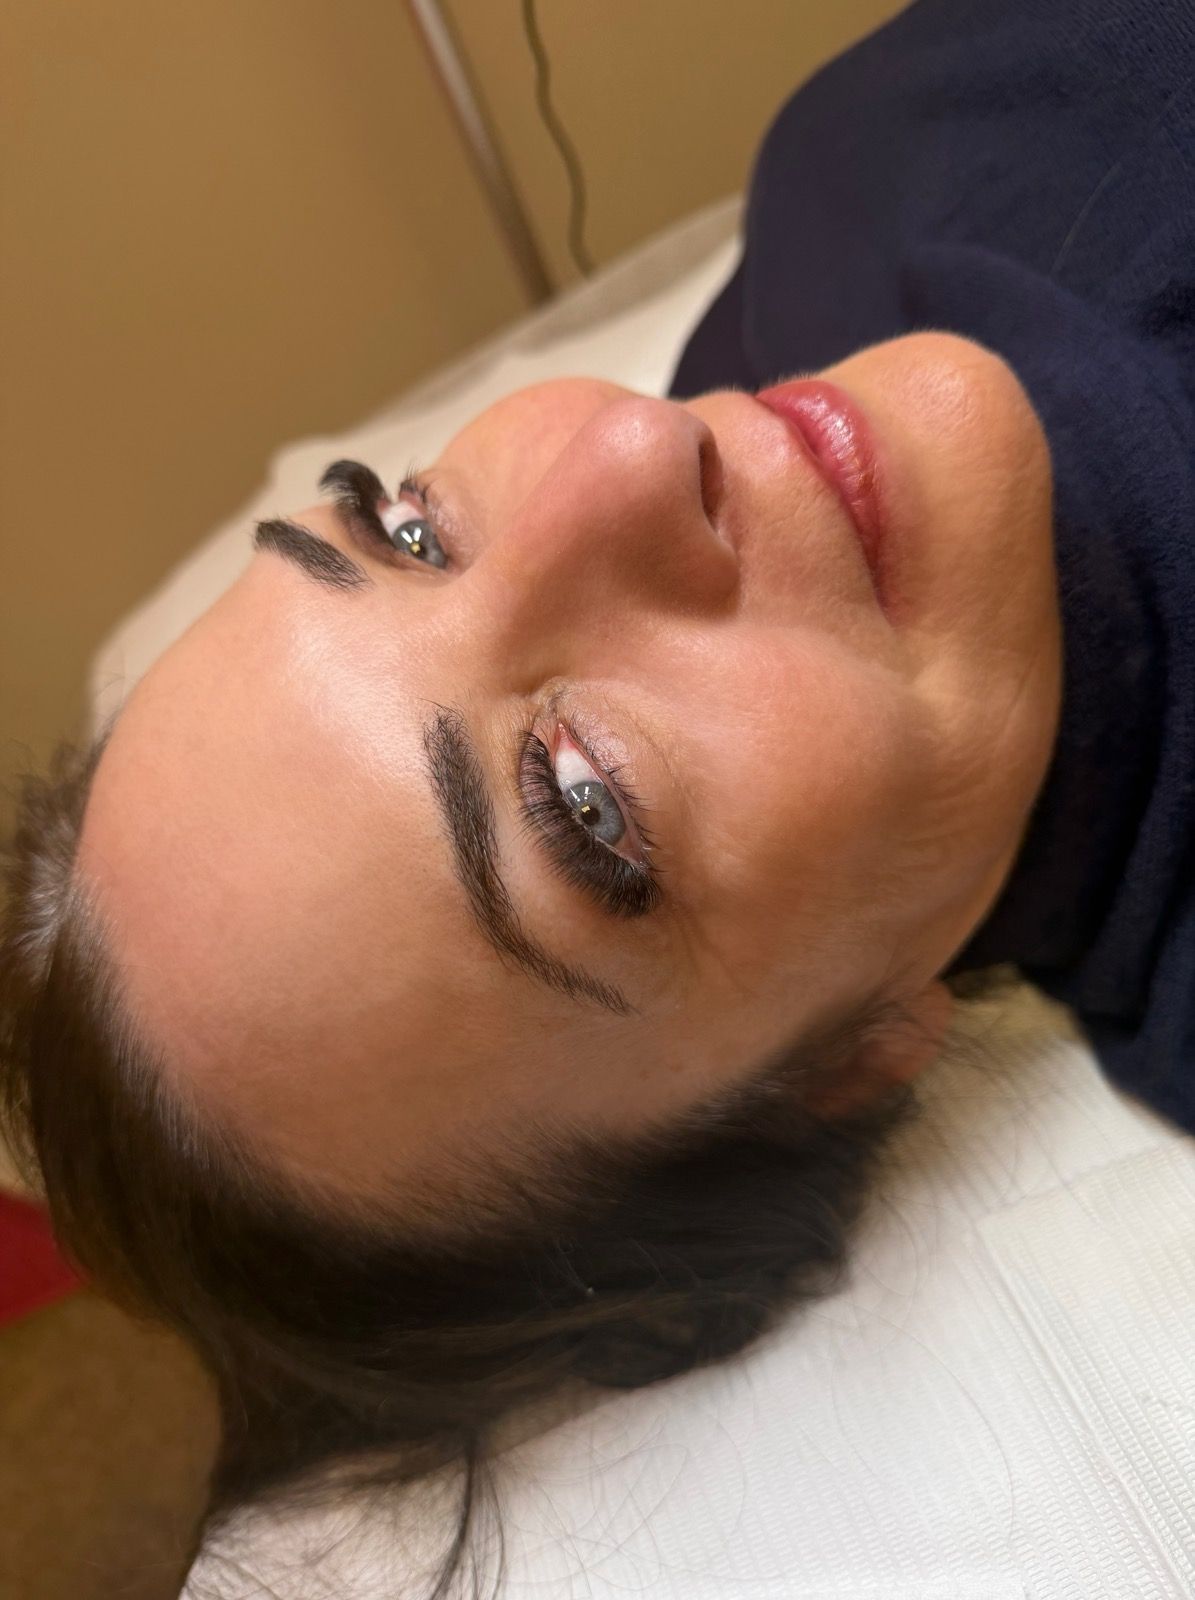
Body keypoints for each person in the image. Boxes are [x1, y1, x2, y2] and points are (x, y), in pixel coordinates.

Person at [2, 0, 1191, 1593]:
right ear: (840, 1065)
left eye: (405, 531)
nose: (628, 448)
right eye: (582, 802)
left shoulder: (829, 198)